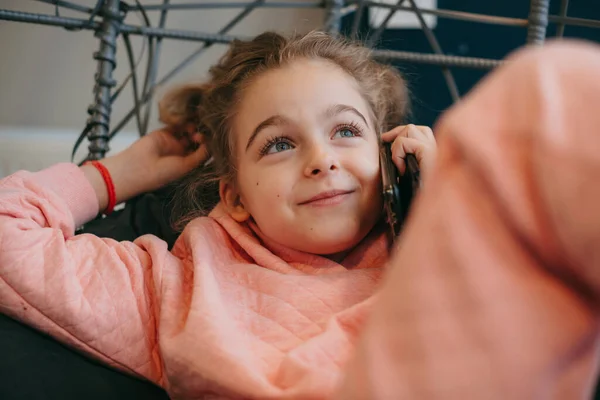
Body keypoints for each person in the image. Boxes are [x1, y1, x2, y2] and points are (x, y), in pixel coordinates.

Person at [0, 31, 436, 399]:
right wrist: (122, 173)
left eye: (345, 130)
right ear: (235, 195)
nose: (322, 160)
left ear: (383, 152)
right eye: (279, 144)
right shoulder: (179, 290)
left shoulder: (438, 253)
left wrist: (443, 195)